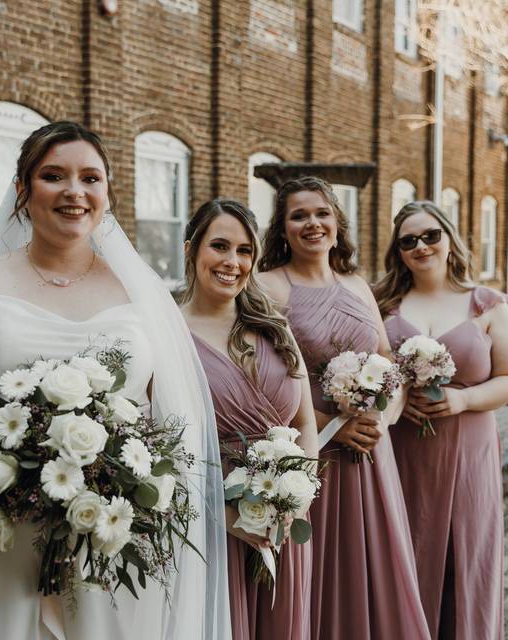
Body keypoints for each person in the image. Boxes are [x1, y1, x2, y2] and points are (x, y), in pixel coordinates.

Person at [0, 121, 230, 640]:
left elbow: (173, 424)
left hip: (111, 541)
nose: (75, 192)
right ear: (23, 191)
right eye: (54, 175)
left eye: (90, 178)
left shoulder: (145, 297)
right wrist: (0, 470)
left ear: (107, 194)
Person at [256, 177, 429, 639]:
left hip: (371, 452)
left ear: (337, 222)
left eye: (321, 213)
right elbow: (262, 379)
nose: (312, 223)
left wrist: (378, 418)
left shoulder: (357, 285)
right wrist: (335, 423)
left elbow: (387, 363)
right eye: (299, 215)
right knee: (317, 568)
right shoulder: (268, 286)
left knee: (374, 563)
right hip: (315, 452)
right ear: (283, 228)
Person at [376, 200, 508, 640]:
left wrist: (464, 401)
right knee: (406, 550)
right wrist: (398, 398)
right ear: (398, 251)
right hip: (404, 451)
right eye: (408, 241)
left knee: (466, 560)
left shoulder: (486, 305)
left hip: (468, 452)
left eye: (430, 235)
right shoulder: (383, 304)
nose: (421, 246)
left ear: (448, 239)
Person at [180, 198, 318, 640]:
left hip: (280, 524)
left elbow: (306, 423)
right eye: (219, 246)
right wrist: (227, 518)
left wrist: (300, 497)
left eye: (244, 251)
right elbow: (163, 444)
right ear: (190, 250)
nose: (231, 262)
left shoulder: (275, 327)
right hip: (211, 526)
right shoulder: (168, 333)